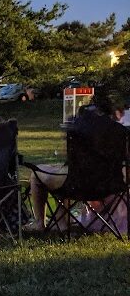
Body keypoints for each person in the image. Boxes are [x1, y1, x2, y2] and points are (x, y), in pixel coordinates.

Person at [26, 98, 127, 232]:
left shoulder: (79, 128)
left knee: (38, 174)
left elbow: (67, 155)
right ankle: (62, 223)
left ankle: (40, 223)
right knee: (63, 174)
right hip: (111, 186)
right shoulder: (121, 132)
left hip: (78, 185)